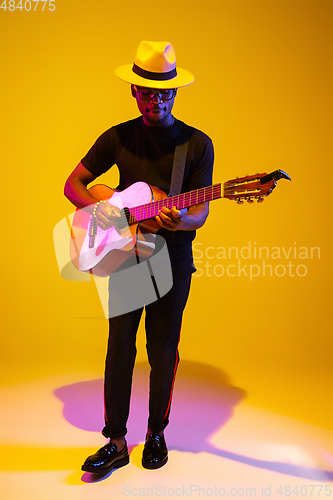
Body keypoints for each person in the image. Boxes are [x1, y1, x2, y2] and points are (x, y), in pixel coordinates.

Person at [64, 40, 214, 472]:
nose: (155, 100)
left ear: (174, 93)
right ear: (134, 92)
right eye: (146, 92)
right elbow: (74, 184)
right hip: (126, 257)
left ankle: (155, 434)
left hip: (173, 259)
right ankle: (115, 441)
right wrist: (108, 211)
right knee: (120, 347)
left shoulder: (196, 145)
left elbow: (200, 212)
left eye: (163, 93)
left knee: (163, 349)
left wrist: (178, 222)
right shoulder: (117, 136)